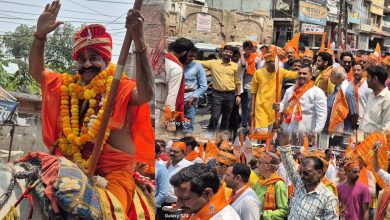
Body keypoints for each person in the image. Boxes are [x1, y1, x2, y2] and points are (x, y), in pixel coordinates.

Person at [29, 1, 154, 217]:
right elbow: (38, 73)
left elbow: (147, 93)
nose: (87, 65)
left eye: (94, 58)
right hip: (67, 168)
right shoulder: (68, 87)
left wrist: (140, 42)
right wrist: (39, 36)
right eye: (82, 59)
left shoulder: (121, 87)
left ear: (106, 60)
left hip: (113, 176)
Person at [278, 132, 339, 219]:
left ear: (319, 173)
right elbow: (286, 158)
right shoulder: (299, 183)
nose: (302, 176)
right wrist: (285, 132)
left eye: (306, 173)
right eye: (300, 172)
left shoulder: (328, 197)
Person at [170, 163, 240, 220]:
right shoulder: (195, 209)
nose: (178, 204)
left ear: (207, 193)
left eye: (185, 198)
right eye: (178, 198)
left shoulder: (225, 217)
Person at [197, 45, 241, 131]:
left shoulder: (235, 66)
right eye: (226, 51)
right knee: (215, 116)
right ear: (222, 52)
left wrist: (239, 95)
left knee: (226, 117)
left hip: (230, 95)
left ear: (232, 54)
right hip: (217, 94)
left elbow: (238, 82)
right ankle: (210, 135)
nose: (228, 54)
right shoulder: (213, 63)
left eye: (230, 52)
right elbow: (198, 62)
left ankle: (221, 137)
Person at [274, 65, 327, 137]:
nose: (301, 75)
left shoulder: (317, 92)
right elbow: (284, 104)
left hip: (306, 132)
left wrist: (316, 131)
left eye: (305, 74)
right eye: (299, 73)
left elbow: (322, 114)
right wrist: (279, 106)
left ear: (311, 75)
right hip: (288, 130)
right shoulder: (290, 90)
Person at [250, 53, 298, 132]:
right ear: (267, 63)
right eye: (273, 62)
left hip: (273, 108)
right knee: (262, 132)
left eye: (277, 62)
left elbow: (292, 75)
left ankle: (264, 144)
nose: (276, 64)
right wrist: (252, 109)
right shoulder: (258, 73)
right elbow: (253, 91)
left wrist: (304, 72)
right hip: (261, 107)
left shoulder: (280, 71)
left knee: (269, 133)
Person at [161, 38, 195, 132]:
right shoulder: (176, 68)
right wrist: (171, 121)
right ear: (184, 53)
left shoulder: (163, 59)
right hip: (166, 111)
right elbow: (171, 95)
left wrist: (181, 90)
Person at [325, 66, 358, 147]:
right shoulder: (337, 88)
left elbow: (354, 113)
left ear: (339, 78)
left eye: (332, 75)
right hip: (333, 130)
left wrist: (351, 130)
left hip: (342, 131)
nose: (329, 76)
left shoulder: (347, 91)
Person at [252, 152, 289, 220]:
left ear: (268, 166)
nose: (257, 165)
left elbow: (284, 211)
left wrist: (263, 215)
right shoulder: (260, 182)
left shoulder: (278, 184)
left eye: (260, 162)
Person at [183, 47, 207, 133]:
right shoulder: (176, 65)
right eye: (190, 55)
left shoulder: (197, 67)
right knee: (173, 127)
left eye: (194, 56)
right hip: (174, 103)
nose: (191, 58)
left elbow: (204, 86)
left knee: (187, 128)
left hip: (189, 103)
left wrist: (193, 97)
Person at [164, 141, 193, 214]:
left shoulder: (189, 166)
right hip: (162, 204)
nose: (172, 153)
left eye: (175, 152)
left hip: (179, 205)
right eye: (171, 151)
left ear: (183, 153)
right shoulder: (165, 164)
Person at [360, 65, 390, 133]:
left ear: (375, 79)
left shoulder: (387, 99)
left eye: (368, 77)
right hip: (363, 140)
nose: (366, 80)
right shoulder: (371, 94)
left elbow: (387, 129)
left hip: (374, 142)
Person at [239, 41, 261, 129]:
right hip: (241, 85)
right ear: (244, 49)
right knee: (244, 106)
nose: (248, 51)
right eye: (246, 49)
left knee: (249, 106)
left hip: (251, 85)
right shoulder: (241, 57)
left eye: (249, 49)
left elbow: (259, 72)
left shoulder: (256, 58)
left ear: (252, 49)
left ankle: (249, 123)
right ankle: (244, 123)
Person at [155, 143, 170, 220]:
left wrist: (153, 203)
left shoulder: (161, 169)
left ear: (157, 154)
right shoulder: (136, 165)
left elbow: (164, 192)